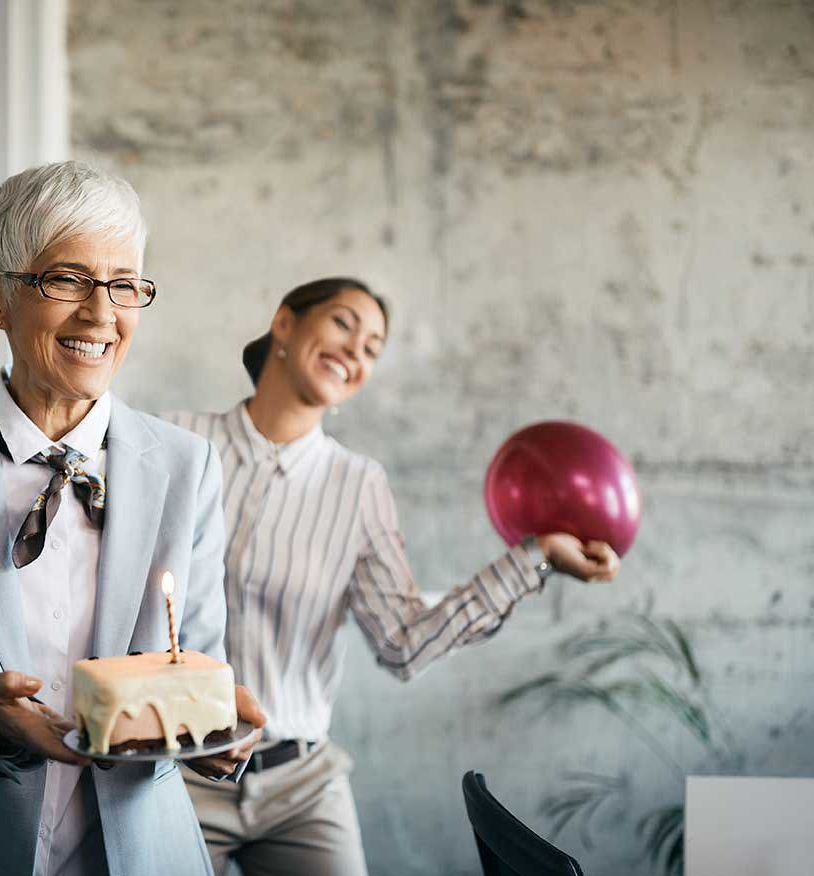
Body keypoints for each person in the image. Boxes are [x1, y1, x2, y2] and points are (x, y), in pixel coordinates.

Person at [0, 160, 267, 876]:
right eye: (67, 279)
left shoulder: (185, 466)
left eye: (123, 284)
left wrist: (218, 731)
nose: (100, 313)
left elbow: (191, 660)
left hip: (141, 848)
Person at [167, 277, 621, 876]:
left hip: (299, 784)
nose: (357, 350)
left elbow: (404, 642)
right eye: (343, 324)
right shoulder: (174, 440)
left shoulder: (359, 486)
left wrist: (534, 558)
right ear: (284, 323)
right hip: (175, 771)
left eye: (373, 347)